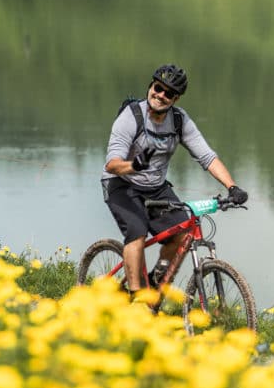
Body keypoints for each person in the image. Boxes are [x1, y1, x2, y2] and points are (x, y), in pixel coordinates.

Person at [101, 63, 247, 297]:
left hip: (156, 189)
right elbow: (112, 163)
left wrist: (232, 186)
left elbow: (207, 157)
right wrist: (134, 166)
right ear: (150, 86)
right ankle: (137, 298)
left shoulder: (179, 121)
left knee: (181, 234)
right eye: (158, 88)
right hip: (121, 183)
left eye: (168, 93)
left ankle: (155, 284)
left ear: (175, 99)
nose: (160, 95)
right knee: (137, 231)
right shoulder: (132, 117)